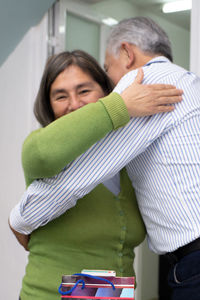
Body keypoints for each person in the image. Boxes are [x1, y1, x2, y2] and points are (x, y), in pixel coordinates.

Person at [9, 50, 182, 300]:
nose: (74, 104)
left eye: (84, 91)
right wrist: (119, 105)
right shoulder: (41, 151)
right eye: (60, 96)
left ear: (104, 90)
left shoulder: (128, 160)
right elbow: (41, 153)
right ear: (48, 105)